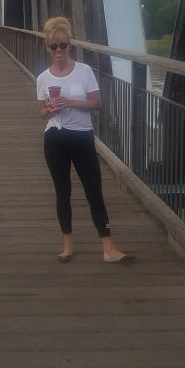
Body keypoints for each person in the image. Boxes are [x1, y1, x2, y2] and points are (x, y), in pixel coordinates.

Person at [35, 16, 134, 264]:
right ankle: (67, 246)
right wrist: (50, 109)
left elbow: (97, 104)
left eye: (63, 45)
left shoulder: (84, 71)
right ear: (47, 48)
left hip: (81, 136)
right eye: (53, 46)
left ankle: (109, 248)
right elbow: (41, 113)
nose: (58, 51)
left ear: (70, 46)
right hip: (55, 138)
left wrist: (71, 102)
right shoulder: (43, 78)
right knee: (62, 192)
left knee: (94, 191)